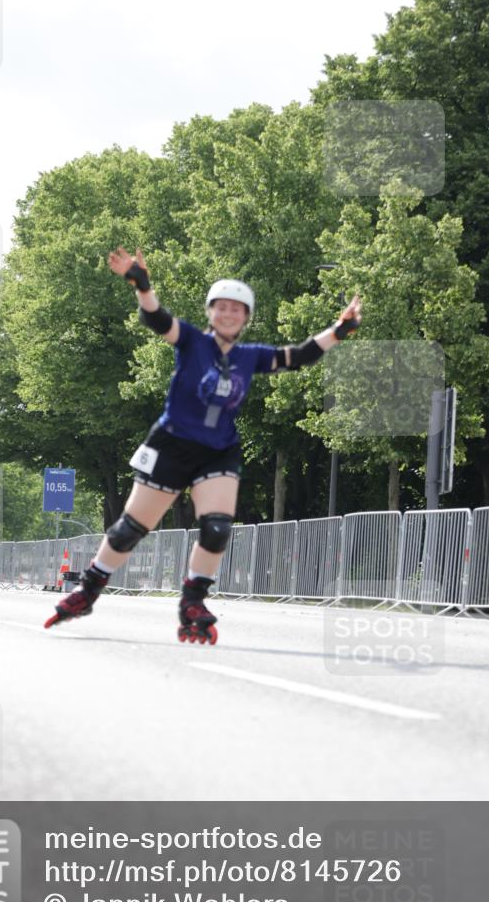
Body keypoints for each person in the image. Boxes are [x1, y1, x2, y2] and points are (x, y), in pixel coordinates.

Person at [45, 248, 361, 641]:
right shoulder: (192, 342)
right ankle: (88, 590)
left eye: (237, 309)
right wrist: (142, 284)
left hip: (218, 450)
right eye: (221, 307)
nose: (228, 314)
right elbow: (157, 319)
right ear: (210, 313)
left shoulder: (250, 357)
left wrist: (339, 330)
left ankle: (193, 600)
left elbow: (299, 356)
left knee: (216, 528)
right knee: (130, 529)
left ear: (246, 318)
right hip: (172, 445)